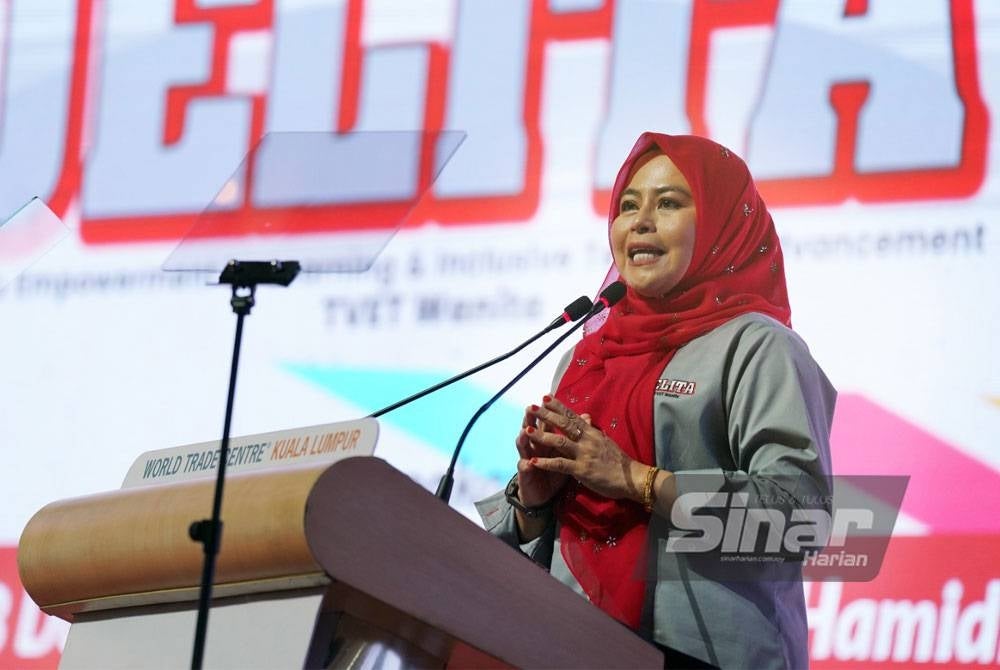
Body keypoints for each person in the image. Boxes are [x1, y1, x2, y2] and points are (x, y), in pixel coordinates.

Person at [476, 132, 835, 669]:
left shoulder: (757, 347)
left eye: (668, 203)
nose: (640, 221)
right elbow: (542, 546)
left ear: (719, 222)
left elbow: (800, 518)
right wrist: (534, 502)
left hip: (709, 653)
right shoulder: (585, 360)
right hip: (569, 644)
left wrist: (634, 480)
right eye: (627, 205)